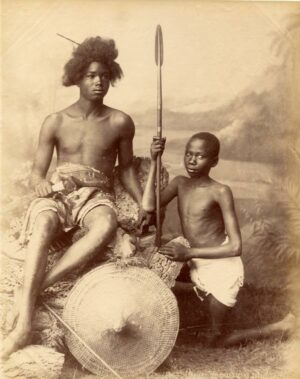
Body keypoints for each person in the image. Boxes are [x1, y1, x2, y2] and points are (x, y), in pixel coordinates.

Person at [2, 36, 146, 358]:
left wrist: (142, 202)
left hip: (96, 193)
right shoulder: (55, 121)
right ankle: (23, 326)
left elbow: (124, 170)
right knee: (43, 222)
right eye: (91, 75)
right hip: (60, 190)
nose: (99, 82)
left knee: (106, 223)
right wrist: (40, 185)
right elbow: (38, 172)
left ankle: (33, 289)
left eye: (105, 76)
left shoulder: (120, 121)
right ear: (77, 78)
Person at [142, 132, 244, 346]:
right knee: (152, 272)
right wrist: (153, 161)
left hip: (220, 265)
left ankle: (281, 326)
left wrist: (188, 253)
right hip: (193, 260)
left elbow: (235, 247)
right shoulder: (180, 183)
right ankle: (196, 291)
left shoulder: (220, 191)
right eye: (188, 154)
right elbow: (149, 205)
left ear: (214, 161)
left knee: (217, 340)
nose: (192, 160)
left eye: (200, 156)